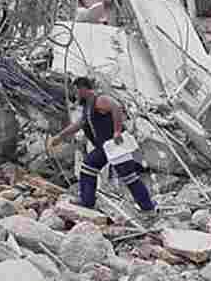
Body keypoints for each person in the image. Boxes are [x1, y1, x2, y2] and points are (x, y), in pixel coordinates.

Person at [48, 76, 156, 212]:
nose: (75, 94)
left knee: (129, 177)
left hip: (116, 145)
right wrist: (60, 136)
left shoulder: (100, 99)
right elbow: (79, 124)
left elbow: (116, 107)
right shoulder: (88, 106)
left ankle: (148, 207)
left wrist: (117, 131)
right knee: (88, 167)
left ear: (82, 89)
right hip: (104, 147)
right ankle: (87, 201)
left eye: (76, 91)